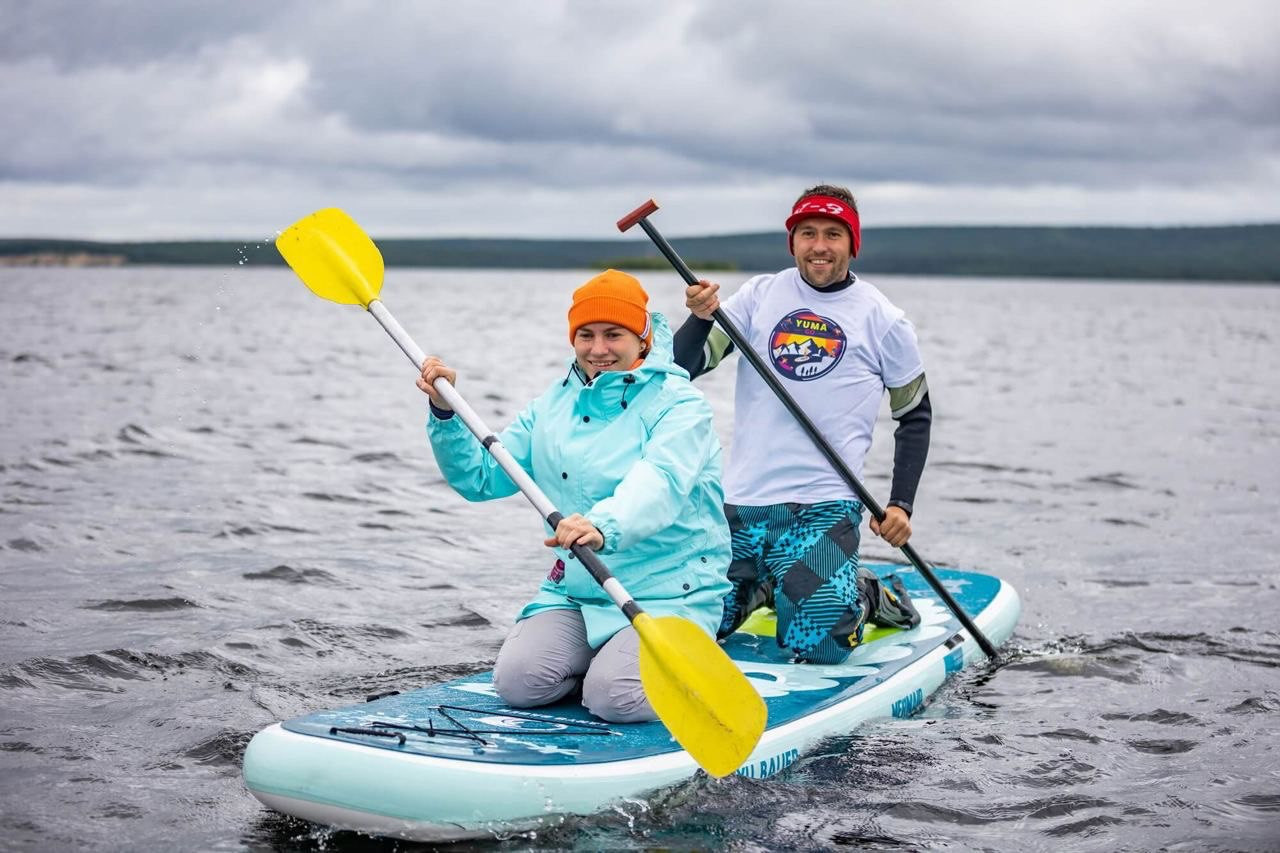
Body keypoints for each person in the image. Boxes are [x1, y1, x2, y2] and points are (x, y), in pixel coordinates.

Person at [417, 269, 731, 723]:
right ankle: (611, 663)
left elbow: (659, 481)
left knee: (612, 698)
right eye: (586, 335)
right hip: (578, 592)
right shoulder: (552, 405)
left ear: (642, 339)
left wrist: (602, 525)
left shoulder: (681, 405)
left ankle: (676, 663)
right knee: (518, 685)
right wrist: (444, 414)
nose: (598, 349)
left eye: (613, 334)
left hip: (670, 594)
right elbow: (481, 478)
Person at [672, 184, 926, 665]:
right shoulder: (758, 297)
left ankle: (870, 593)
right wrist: (701, 319)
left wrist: (901, 504)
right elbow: (685, 367)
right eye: (807, 233)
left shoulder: (883, 319)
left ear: (853, 244)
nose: (820, 246)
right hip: (741, 506)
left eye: (834, 234)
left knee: (820, 646)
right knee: (693, 631)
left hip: (823, 508)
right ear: (792, 243)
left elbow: (914, 414)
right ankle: (769, 583)